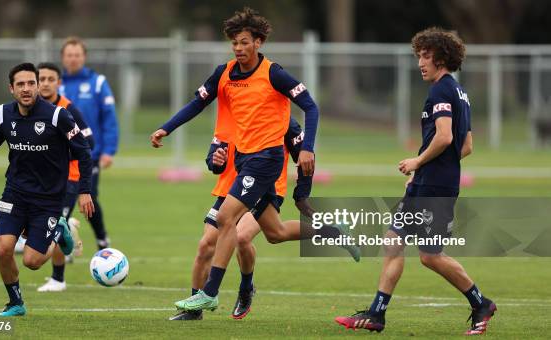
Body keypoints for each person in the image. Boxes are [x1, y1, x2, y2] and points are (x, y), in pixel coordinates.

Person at [151, 7, 319, 312]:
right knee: (275, 233)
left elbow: (311, 107)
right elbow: (196, 104)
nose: (239, 49)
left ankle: (210, 292)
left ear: (258, 42)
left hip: (266, 159)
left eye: (244, 42)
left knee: (226, 218)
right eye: (235, 43)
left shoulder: (274, 73)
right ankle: (327, 231)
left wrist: (307, 147)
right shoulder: (224, 73)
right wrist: (166, 128)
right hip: (243, 159)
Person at [334, 27, 496, 336]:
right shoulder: (460, 92)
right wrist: (433, 170)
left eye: (425, 56)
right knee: (394, 240)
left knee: (429, 256)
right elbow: (467, 145)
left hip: (434, 186)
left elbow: (446, 137)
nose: (420, 62)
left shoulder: (440, 91)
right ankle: (377, 313)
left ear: (441, 58)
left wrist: (418, 163)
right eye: (418, 56)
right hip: (434, 183)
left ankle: (480, 302)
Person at [0, 63, 94, 316]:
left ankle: (60, 228)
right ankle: (16, 303)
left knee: (32, 262)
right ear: (11, 89)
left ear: (37, 86)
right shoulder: (4, 114)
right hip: (14, 193)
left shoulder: (58, 116)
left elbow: (83, 152)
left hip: (48, 199)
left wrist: (84, 190)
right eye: (20, 85)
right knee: (3, 247)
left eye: (31, 83)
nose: (26, 89)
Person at [169, 117, 314, 321]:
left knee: (244, 237)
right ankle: (195, 309)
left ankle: (246, 288)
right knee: (206, 245)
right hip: (230, 190)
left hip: (265, 187)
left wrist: (301, 194)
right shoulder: (234, 109)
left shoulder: (281, 117)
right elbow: (214, 157)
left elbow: (304, 156)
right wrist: (215, 160)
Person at [36, 62, 94, 292]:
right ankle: (66, 226)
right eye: (42, 79)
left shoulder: (69, 109)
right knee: (51, 225)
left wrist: (58, 152)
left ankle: (58, 280)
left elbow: (88, 143)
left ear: (59, 83)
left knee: (53, 227)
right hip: (42, 181)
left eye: (51, 79)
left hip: (69, 178)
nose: (46, 83)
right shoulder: (32, 110)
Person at [60, 36, 118, 250]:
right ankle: (64, 243)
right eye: (69, 55)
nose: (73, 59)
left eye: (77, 55)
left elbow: (109, 118)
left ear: (84, 57)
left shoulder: (97, 83)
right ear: (63, 58)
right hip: (60, 157)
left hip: (89, 155)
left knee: (88, 197)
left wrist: (109, 150)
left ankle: (102, 238)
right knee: (59, 200)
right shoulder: (54, 84)